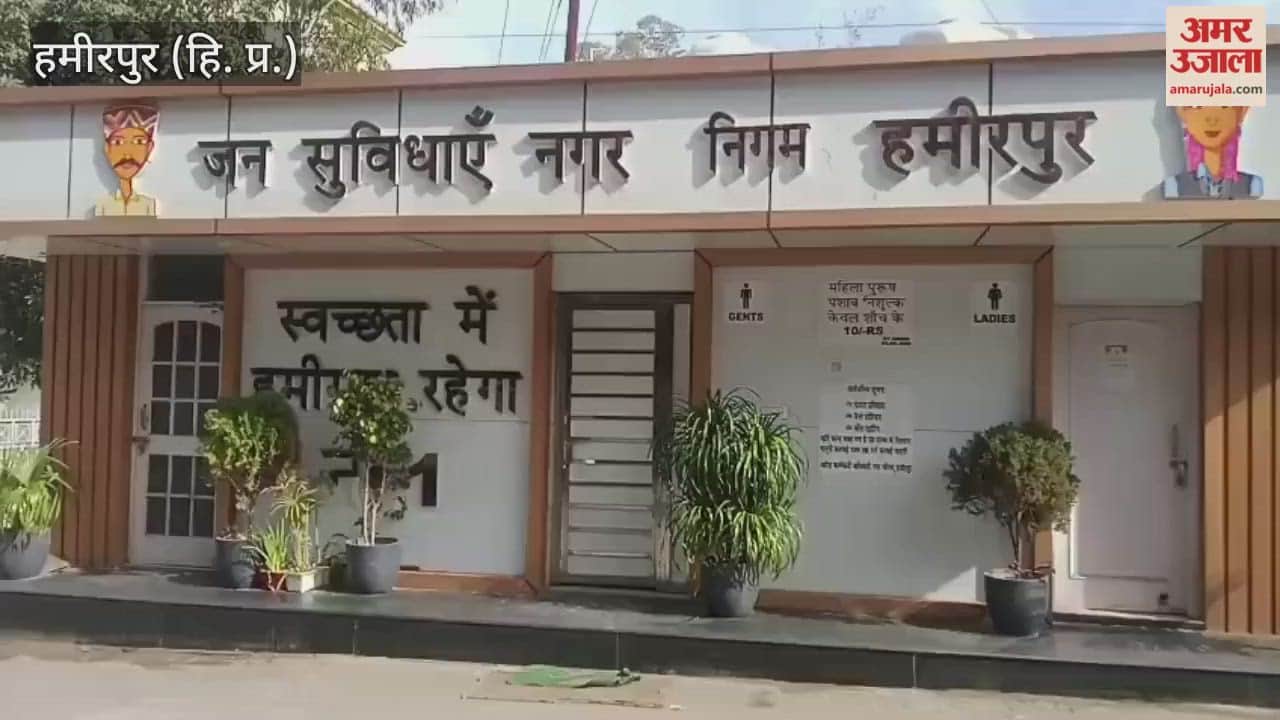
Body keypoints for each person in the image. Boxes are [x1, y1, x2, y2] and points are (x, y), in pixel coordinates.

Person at [1164, 106, 1262, 200]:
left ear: (1241, 111)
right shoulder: (1175, 186)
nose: (1212, 120)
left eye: (1224, 106)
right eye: (1199, 106)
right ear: (1182, 112)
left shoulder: (1252, 185)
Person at [95, 103, 159, 216]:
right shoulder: (103, 206)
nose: (127, 155)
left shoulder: (148, 205)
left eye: (139, 142)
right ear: (107, 148)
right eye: (118, 142)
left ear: (149, 148)